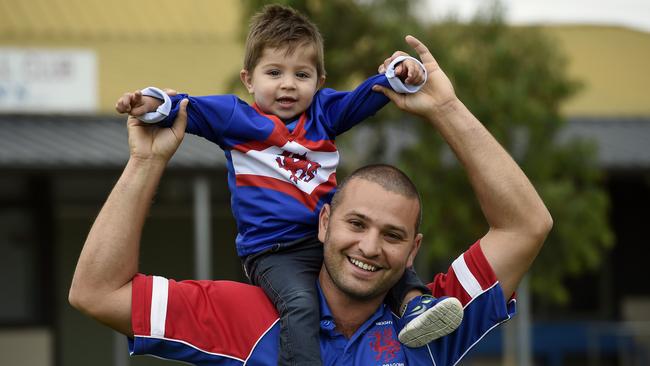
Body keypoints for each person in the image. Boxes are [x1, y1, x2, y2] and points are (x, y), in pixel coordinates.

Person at [69, 34, 552, 365]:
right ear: (323, 223)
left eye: (393, 235)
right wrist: (146, 162)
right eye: (356, 223)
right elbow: (97, 292)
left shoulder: (431, 324)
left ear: (413, 250)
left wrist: (444, 107)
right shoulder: (246, 317)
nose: (368, 246)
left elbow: (526, 226)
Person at [114, 4, 462, 365]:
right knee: (301, 305)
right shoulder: (237, 120)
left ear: (319, 82)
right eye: (274, 72)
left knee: (382, 260)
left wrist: (403, 73)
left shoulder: (324, 114)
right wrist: (147, 102)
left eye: (302, 75)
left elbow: (369, 95)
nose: (288, 85)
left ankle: (415, 304)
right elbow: (184, 106)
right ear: (249, 79)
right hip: (274, 251)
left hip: (324, 237)